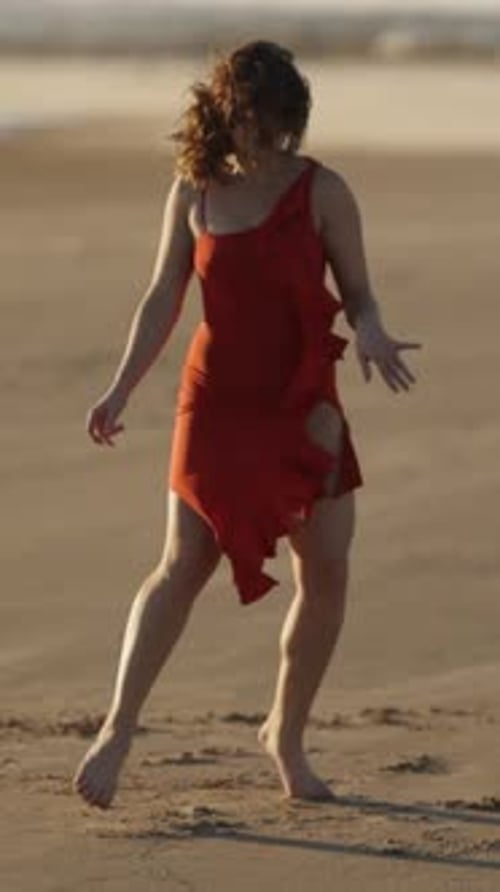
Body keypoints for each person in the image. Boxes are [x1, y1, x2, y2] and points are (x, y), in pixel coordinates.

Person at [72, 39, 421, 810]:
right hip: (217, 401)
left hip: (303, 402)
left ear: (291, 119)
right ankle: (117, 730)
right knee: (181, 565)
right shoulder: (193, 190)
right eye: (252, 119)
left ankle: (285, 737)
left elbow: (359, 293)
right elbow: (163, 294)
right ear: (229, 112)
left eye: (278, 123)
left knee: (325, 574)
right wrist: (120, 389)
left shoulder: (324, 192)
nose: (266, 136)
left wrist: (370, 327)